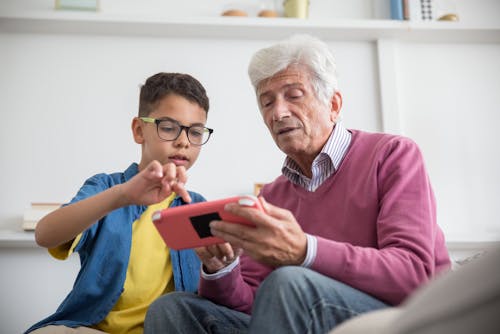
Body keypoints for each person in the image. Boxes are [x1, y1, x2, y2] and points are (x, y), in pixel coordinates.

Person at [144, 35, 451, 334]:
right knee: (172, 308)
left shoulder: (392, 154)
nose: (278, 112)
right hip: (302, 313)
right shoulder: (273, 194)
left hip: (401, 316)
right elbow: (250, 304)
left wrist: (305, 250)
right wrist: (220, 269)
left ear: (333, 104)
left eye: (293, 95)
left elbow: (415, 274)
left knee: (289, 282)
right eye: (267, 102)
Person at [25, 72, 214, 334]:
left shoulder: (198, 208)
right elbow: (45, 234)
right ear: (139, 130)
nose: (184, 141)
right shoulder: (105, 188)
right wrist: (122, 196)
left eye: (195, 132)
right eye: (169, 127)